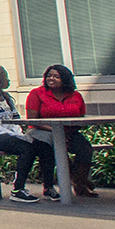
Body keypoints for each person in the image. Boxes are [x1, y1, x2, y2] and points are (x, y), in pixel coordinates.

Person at [0, 64, 55, 202]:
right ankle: (17, 190)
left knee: (44, 146)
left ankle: (48, 188)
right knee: (26, 148)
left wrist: (19, 135)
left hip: (9, 137)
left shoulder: (6, 97)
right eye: (5, 76)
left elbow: (16, 121)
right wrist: (8, 134)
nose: (8, 79)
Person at [26, 64, 97, 198]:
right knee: (57, 145)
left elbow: (80, 117)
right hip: (42, 132)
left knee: (85, 148)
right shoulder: (37, 93)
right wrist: (56, 131)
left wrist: (68, 133)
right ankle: (79, 182)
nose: (51, 79)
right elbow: (33, 120)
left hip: (69, 133)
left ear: (65, 79)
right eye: (49, 76)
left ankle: (79, 181)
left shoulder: (75, 96)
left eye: (56, 77)